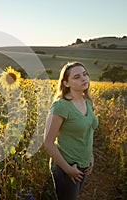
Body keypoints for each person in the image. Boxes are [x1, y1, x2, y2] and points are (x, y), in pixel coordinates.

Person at [44, 61, 99, 200]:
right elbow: (48, 143)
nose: (84, 78)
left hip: (83, 165)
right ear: (66, 83)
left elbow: (88, 131)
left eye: (85, 74)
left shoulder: (88, 102)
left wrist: (90, 156)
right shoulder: (61, 106)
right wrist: (68, 170)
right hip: (66, 167)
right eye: (77, 77)